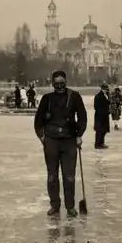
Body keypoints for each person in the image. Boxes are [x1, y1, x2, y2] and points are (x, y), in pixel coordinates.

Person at [34, 70, 88, 217]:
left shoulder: (74, 97)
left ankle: (70, 206)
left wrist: (79, 135)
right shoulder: (47, 99)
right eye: (56, 84)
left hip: (69, 140)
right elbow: (38, 121)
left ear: (66, 82)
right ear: (53, 84)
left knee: (69, 176)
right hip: (51, 141)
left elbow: (83, 117)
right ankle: (55, 205)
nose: (59, 86)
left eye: (62, 83)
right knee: (52, 176)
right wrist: (42, 137)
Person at [94, 84, 111, 149]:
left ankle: (101, 143)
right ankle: (97, 144)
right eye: (104, 89)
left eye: (106, 89)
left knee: (104, 131)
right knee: (99, 131)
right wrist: (103, 112)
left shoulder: (106, 95)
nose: (106, 90)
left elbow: (108, 103)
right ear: (102, 89)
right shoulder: (98, 96)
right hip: (100, 116)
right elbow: (96, 107)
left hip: (105, 116)